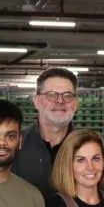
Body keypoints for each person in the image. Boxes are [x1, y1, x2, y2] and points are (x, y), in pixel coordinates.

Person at [14, 67, 79, 195]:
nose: (60, 101)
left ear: (76, 103)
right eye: (51, 95)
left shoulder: (91, 147)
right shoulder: (15, 144)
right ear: (36, 100)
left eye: (67, 96)